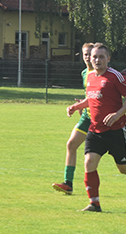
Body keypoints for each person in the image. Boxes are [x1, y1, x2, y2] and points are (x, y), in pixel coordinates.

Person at [66, 43, 126, 212]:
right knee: (89, 162)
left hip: (115, 131)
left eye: (101, 57)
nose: (97, 60)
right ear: (90, 59)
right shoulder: (90, 76)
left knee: (125, 170)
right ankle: (94, 203)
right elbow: (92, 99)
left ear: (108, 59)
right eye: (94, 57)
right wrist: (76, 107)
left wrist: (117, 114)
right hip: (95, 130)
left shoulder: (115, 77)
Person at [53, 42, 94, 195]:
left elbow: (97, 98)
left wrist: (77, 106)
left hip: (101, 118)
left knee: (122, 163)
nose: (88, 57)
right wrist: (81, 106)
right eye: (86, 54)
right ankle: (68, 183)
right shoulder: (84, 73)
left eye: (91, 54)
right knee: (71, 144)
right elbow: (88, 96)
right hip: (87, 117)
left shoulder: (100, 74)